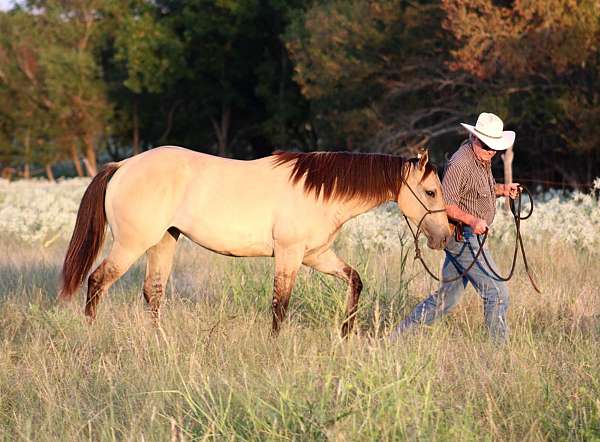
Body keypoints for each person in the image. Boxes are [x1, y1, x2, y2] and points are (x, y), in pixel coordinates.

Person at [391, 112, 521, 343]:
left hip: (466, 237)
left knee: (446, 300)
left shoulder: (482, 159)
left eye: (494, 147)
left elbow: (479, 190)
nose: (491, 151)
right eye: (486, 145)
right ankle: (499, 353)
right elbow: (446, 205)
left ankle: (397, 338)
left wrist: (502, 190)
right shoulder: (460, 163)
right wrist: (473, 221)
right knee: (497, 293)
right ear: (474, 138)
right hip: (464, 236)